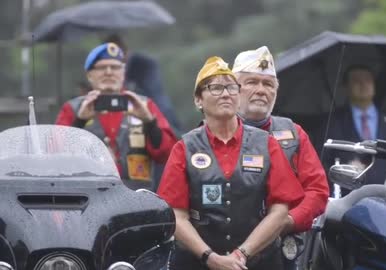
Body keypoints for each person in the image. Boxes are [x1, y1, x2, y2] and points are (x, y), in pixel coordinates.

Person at [157, 56, 304, 270]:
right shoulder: (185, 147)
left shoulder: (267, 144)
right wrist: (210, 257)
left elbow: (280, 210)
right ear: (199, 99)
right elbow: (176, 216)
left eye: (231, 87)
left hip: (259, 262)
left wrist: (242, 253)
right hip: (197, 263)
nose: (225, 93)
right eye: (215, 88)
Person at [232, 46, 330, 268]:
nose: (261, 90)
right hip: (225, 249)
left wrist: (287, 221)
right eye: (251, 82)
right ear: (233, 89)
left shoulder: (294, 133)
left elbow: (317, 190)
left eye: (268, 84)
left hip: (280, 251)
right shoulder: (214, 132)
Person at [56, 43, 177, 190]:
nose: (109, 72)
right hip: (88, 199)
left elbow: (167, 155)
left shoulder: (144, 105)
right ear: (89, 75)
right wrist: (79, 121)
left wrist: (150, 122)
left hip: (137, 202)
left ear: (123, 72)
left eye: (115, 67)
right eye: (101, 67)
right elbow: (57, 158)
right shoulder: (73, 109)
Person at [322, 64, 386, 194]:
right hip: (348, 198)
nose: (363, 84)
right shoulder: (333, 122)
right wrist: (344, 172)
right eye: (356, 80)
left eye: (367, 79)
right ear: (346, 86)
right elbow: (323, 161)